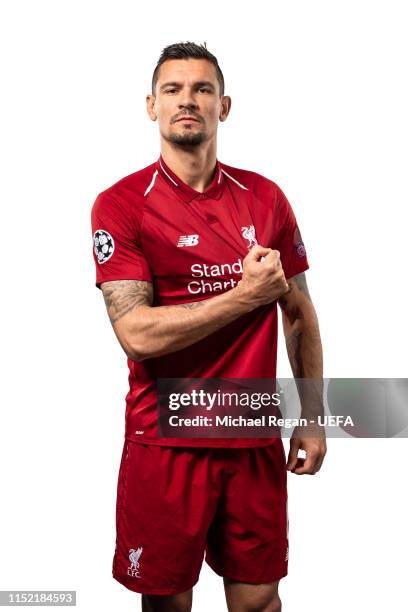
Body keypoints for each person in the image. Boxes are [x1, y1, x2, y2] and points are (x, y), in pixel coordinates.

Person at [91, 41, 326, 612]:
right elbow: (137, 334)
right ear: (152, 106)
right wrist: (243, 296)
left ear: (225, 106)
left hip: (251, 437)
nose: (187, 100)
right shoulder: (121, 205)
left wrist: (314, 418)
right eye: (173, 90)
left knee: (259, 600)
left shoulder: (265, 198)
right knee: (168, 604)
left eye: (202, 89)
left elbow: (299, 315)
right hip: (166, 442)